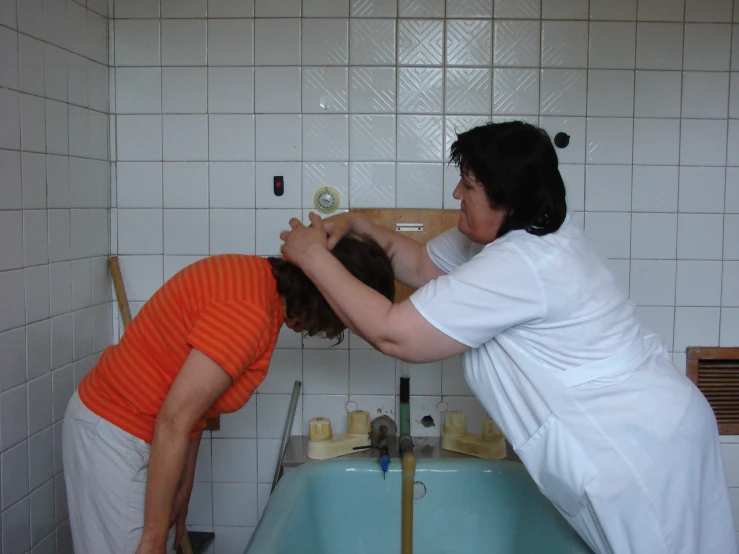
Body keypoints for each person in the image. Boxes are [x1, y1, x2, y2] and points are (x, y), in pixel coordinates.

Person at [279, 121, 737, 554]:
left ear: (509, 202)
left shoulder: (525, 263)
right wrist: (357, 224)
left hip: (638, 446)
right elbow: (420, 266)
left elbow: (394, 335)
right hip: (647, 426)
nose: (457, 192)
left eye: (470, 185)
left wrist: (313, 259)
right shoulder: (523, 236)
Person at [62, 237, 395, 554]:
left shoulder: (261, 287)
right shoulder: (247, 312)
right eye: (341, 320)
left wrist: (183, 488)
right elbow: (173, 421)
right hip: (114, 437)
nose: (329, 332)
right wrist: (152, 538)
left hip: (143, 436)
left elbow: (193, 411)